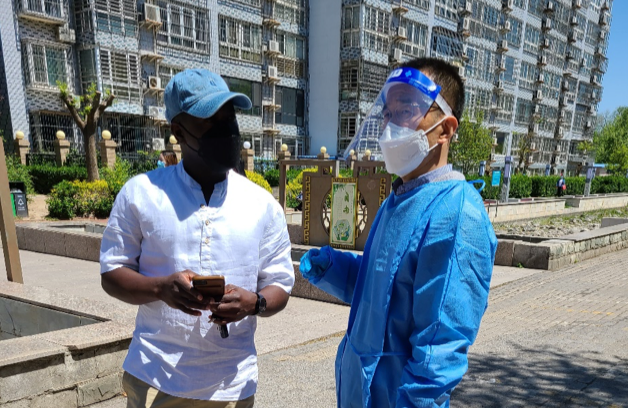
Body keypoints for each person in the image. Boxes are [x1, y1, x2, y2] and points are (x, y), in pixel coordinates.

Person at [300, 58, 498, 408]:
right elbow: (382, 290)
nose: (391, 126)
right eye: (388, 113)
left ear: (445, 129)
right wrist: (334, 268)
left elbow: (440, 349)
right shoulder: (399, 199)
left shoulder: (454, 214)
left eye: (406, 110)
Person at [100, 69, 294, 408]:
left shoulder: (262, 205)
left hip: (232, 384)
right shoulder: (141, 193)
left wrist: (255, 303)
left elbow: (279, 283)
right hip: (156, 377)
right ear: (178, 131)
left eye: (229, 118)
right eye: (209, 120)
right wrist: (161, 288)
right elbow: (112, 272)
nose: (225, 130)